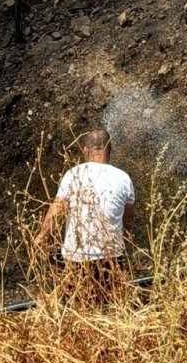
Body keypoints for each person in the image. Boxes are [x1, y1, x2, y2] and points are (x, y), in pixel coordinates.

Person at [35, 129, 135, 301]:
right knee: (110, 306)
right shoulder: (123, 178)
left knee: (76, 308)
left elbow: (57, 208)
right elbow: (127, 215)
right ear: (109, 151)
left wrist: (42, 236)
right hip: (111, 259)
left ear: (85, 150)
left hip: (77, 258)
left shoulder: (74, 174)